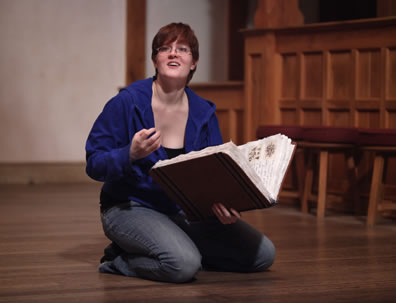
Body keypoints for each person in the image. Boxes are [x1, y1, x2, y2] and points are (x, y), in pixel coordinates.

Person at [85, 22, 275, 283]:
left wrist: (228, 205)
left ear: (193, 62)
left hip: (186, 212)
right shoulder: (127, 102)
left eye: (182, 49)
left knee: (263, 254)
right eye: (165, 48)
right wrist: (129, 154)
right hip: (131, 207)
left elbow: (217, 174)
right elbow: (94, 163)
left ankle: (180, 248)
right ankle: (119, 260)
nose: (173, 53)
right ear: (156, 59)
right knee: (182, 266)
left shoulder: (204, 112)